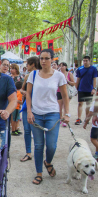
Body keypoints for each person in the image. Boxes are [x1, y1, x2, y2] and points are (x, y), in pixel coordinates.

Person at [26, 49, 70, 185]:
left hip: (52, 113)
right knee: (38, 145)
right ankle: (39, 173)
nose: (43, 61)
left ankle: (48, 162)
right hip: (36, 114)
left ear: (52, 59)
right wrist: (29, 111)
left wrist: (67, 113)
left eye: (46, 58)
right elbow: (28, 94)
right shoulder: (33, 75)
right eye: (41, 58)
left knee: (51, 145)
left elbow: (65, 95)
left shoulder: (59, 76)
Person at [20, 57, 41, 162]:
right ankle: (28, 152)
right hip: (26, 106)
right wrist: (27, 94)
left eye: (27, 64)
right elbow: (22, 90)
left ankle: (39, 151)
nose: (26, 66)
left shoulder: (42, 75)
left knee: (38, 130)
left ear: (33, 64)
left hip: (39, 107)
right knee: (27, 130)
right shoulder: (28, 76)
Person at [75, 56, 98, 125]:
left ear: (89, 61)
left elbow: (94, 79)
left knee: (88, 104)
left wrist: (94, 88)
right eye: (84, 60)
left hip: (89, 89)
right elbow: (78, 79)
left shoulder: (93, 69)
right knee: (80, 103)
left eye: (86, 60)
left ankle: (87, 118)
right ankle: (79, 118)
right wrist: (76, 88)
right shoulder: (80, 69)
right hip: (81, 89)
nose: (85, 62)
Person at [58, 62, 75, 128]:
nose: (61, 67)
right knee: (59, 106)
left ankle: (65, 119)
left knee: (65, 106)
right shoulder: (57, 74)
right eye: (60, 66)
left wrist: (67, 81)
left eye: (62, 66)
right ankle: (60, 119)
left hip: (67, 91)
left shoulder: (69, 74)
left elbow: (73, 83)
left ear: (65, 67)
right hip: (58, 91)